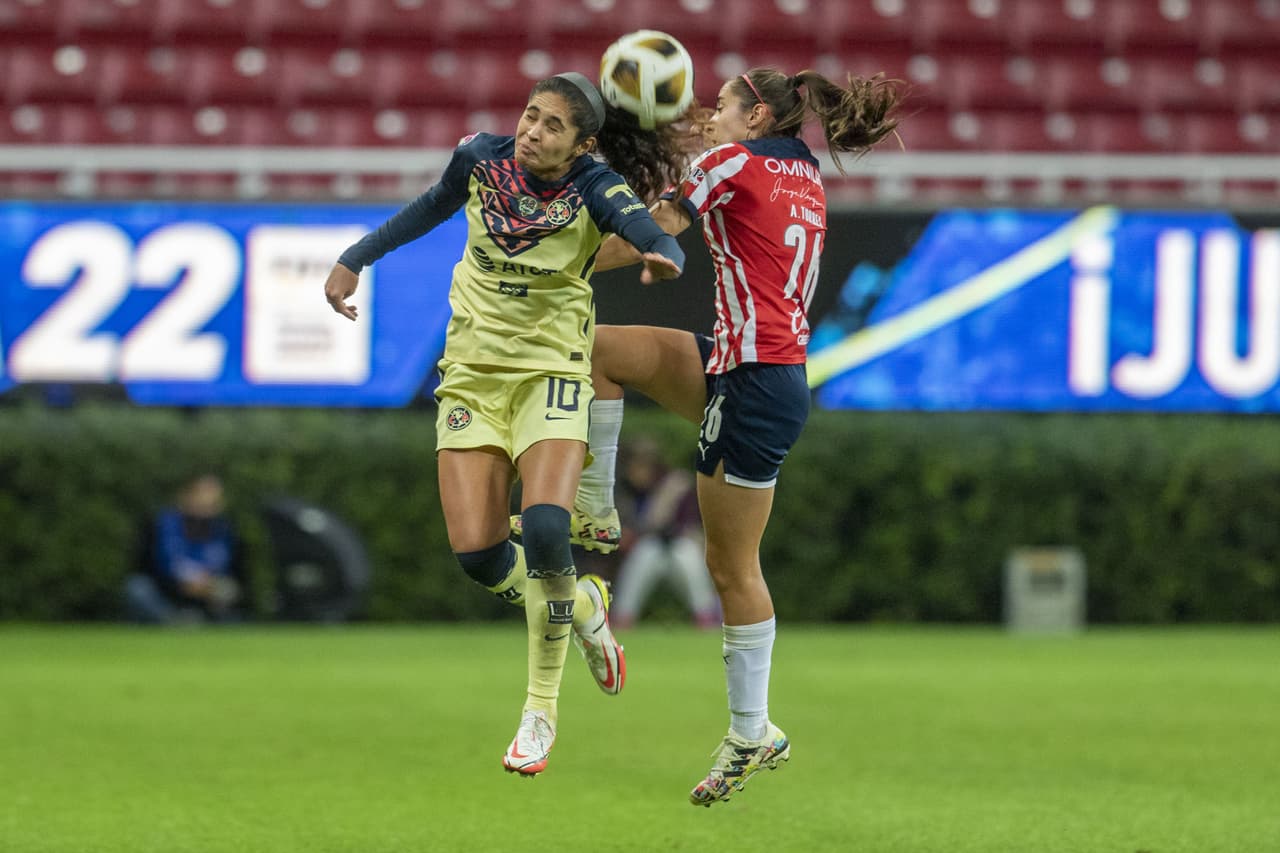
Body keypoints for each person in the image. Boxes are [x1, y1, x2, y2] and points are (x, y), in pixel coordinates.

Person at [322, 72, 688, 777]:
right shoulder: (479, 159)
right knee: (478, 554)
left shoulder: (594, 186)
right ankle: (582, 604)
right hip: (472, 377)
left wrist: (662, 252)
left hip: (551, 373)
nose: (532, 131)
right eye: (529, 115)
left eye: (552, 125)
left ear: (582, 144)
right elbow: (428, 207)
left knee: (548, 528)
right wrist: (353, 258)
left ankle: (539, 711)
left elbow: (643, 228)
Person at [573, 67, 902, 804]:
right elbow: (729, 197)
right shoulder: (801, 170)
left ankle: (752, 730)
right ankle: (596, 501)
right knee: (601, 349)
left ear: (756, 115)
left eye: (723, 103)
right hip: (746, 365)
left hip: (752, 382)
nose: (710, 112)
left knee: (732, 565)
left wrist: (550, 263)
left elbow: (660, 225)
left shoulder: (732, 161)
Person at [610, 436, 719, 630]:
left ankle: (706, 615)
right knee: (646, 551)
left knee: (685, 553)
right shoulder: (624, 491)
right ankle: (623, 616)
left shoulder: (676, 484)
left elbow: (690, 525)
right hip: (647, 551)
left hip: (681, 549)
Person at [124, 472, 250, 625]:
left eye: (213, 497)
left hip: (207, 593)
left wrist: (209, 585)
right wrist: (179, 584)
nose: (208, 500)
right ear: (186, 496)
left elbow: (235, 572)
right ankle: (174, 621)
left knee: (228, 590)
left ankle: (207, 621)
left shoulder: (224, 529)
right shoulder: (161, 524)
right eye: (202, 493)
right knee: (137, 588)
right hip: (166, 592)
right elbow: (148, 566)